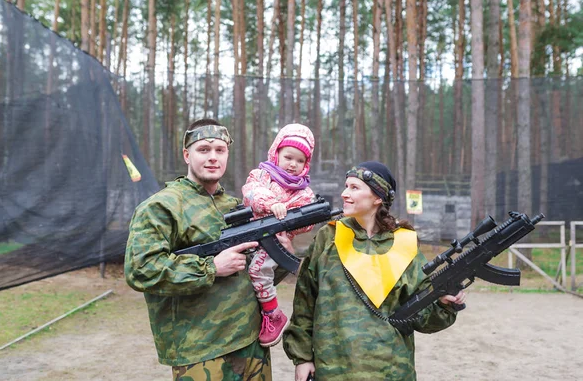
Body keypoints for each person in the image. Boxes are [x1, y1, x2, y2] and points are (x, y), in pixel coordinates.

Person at [125, 118, 289, 381]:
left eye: (219, 150)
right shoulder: (162, 207)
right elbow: (140, 270)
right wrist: (211, 267)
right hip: (201, 352)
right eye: (204, 150)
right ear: (187, 155)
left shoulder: (237, 207)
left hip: (251, 345)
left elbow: (251, 275)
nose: (213, 157)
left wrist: (278, 256)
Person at [283, 161, 466, 381]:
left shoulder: (404, 244)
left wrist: (445, 305)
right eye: (346, 186)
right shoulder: (328, 238)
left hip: (392, 370)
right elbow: (305, 301)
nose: (344, 194)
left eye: (354, 188)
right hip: (332, 369)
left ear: (377, 198)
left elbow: (422, 317)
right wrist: (302, 358)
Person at [242, 123, 316, 347]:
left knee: (258, 271)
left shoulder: (303, 191)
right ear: (276, 154)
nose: (293, 164)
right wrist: (271, 203)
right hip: (250, 234)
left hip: (275, 241)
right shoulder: (262, 175)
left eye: (300, 161)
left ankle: (273, 314)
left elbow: (305, 220)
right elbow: (251, 192)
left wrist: (288, 219)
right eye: (288, 157)